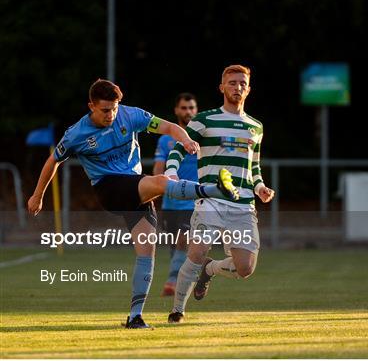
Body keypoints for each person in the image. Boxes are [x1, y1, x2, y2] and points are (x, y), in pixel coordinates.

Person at [27, 79, 239, 329]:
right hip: (109, 188)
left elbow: (170, 127)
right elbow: (53, 161)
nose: (111, 114)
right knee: (161, 181)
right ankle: (214, 190)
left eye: (115, 108)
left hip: (136, 189)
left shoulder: (131, 115)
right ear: (91, 106)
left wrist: (185, 140)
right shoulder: (76, 133)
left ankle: (135, 317)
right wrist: (37, 195)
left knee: (146, 251)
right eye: (105, 110)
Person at [166, 65, 275, 323]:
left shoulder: (255, 127)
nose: (237, 87)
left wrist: (260, 187)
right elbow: (178, 149)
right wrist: (171, 173)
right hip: (211, 201)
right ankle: (177, 310)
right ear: (222, 87)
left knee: (245, 269)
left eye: (242, 83)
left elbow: (254, 167)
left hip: (243, 205)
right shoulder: (204, 120)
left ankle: (210, 269)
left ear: (248, 89)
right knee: (196, 252)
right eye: (232, 83)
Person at [153, 93, 198, 296]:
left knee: (184, 239)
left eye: (191, 108)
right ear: (176, 111)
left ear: (196, 111)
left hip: (194, 201)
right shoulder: (165, 140)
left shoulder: (202, 138)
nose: (188, 111)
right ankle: (184, 279)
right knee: (175, 247)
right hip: (170, 202)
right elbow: (158, 168)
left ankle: (172, 281)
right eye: (184, 108)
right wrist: (154, 189)